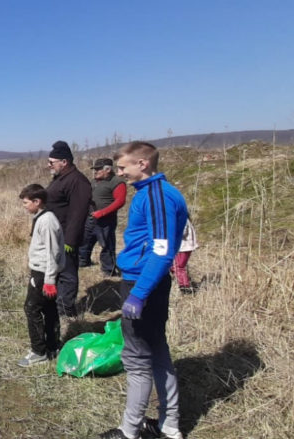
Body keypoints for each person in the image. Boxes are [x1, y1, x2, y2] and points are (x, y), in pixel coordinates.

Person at [99, 142, 188, 439]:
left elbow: (162, 252)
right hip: (145, 281)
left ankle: (130, 431)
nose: (119, 173)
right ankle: (170, 426)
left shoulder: (157, 196)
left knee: (137, 359)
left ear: (142, 164)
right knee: (157, 349)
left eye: (123, 167)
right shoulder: (153, 193)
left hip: (142, 283)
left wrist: (139, 294)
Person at [18, 184, 65, 367]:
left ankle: (39, 352)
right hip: (43, 273)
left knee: (32, 308)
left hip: (43, 273)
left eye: (26, 202)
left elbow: (53, 253)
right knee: (48, 309)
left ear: (37, 202)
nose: (24, 206)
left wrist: (49, 280)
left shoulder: (47, 221)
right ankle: (53, 345)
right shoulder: (43, 217)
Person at [44, 140, 92, 321]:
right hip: (56, 234)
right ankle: (56, 304)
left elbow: (78, 213)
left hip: (66, 236)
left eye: (51, 162)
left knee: (68, 274)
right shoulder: (62, 178)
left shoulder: (77, 181)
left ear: (64, 162)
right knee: (57, 271)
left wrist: (70, 241)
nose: (48, 165)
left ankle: (66, 311)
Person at [79, 158, 127, 277]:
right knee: (85, 241)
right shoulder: (94, 181)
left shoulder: (117, 182)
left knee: (107, 244)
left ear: (108, 169)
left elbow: (120, 201)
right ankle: (83, 262)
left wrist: (102, 212)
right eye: (95, 169)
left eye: (98, 169)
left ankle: (108, 269)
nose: (96, 172)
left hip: (106, 220)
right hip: (90, 217)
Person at [172, 218, 198, 291]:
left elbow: (183, 232)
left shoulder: (181, 219)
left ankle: (184, 286)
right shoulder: (183, 219)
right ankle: (183, 284)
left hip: (184, 247)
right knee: (175, 266)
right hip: (184, 246)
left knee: (178, 267)